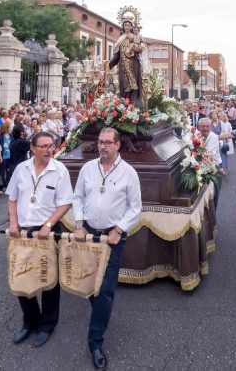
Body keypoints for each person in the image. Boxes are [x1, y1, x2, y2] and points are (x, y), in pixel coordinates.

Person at [72, 127, 142, 369]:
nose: (103, 146)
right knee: (92, 284)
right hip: (89, 235)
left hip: (113, 238)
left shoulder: (129, 173)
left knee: (104, 290)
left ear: (118, 145)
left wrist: (119, 230)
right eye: (100, 142)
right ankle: (102, 312)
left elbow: (135, 208)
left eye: (108, 143)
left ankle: (95, 343)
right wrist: (79, 225)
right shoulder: (87, 169)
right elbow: (78, 197)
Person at [7, 131, 73, 348]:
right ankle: (30, 320)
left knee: (48, 279)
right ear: (33, 148)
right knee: (21, 276)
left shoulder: (59, 170)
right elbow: (13, 199)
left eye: (51, 146)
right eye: (43, 146)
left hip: (47, 231)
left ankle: (47, 324)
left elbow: (65, 203)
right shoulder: (21, 169)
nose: (48, 150)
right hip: (22, 231)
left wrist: (48, 225)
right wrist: (13, 223)